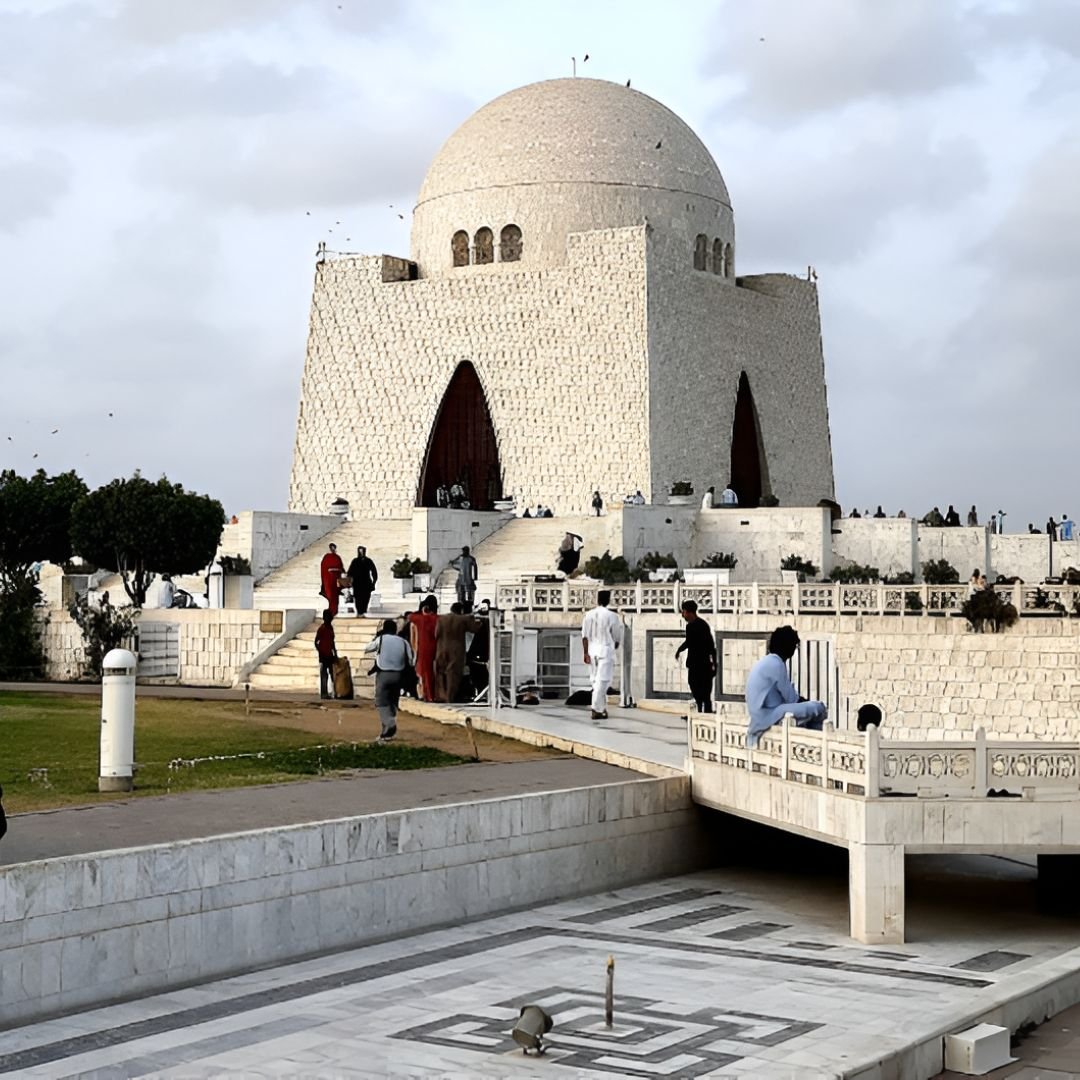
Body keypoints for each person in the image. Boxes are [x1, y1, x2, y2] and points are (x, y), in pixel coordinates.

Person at [745, 626, 826, 748]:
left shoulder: (766, 661)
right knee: (818, 708)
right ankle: (818, 745)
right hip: (768, 714)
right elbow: (791, 698)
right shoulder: (776, 664)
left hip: (760, 713)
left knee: (805, 709)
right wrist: (808, 702)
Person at [364, 618, 415, 740]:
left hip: (384, 673)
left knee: (381, 701)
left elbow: (367, 648)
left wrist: (377, 637)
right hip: (399, 675)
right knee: (393, 700)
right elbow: (411, 660)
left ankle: (389, 723)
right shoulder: (403, 641)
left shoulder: (381, 639)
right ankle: (387, 730)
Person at [581, 590, 623, 720]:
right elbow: (616, 636)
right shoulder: (612, 616)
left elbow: (584, 636)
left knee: (595, 681)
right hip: (605, 650)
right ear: (608, 600)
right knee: (602, 681)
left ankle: (602, 708)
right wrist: (615, 645)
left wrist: (585, 652)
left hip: (592, 650)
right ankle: (596, 709)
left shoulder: (588, 615)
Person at [674, 600, 717, 713]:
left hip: (703, 665)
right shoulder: (691, 627)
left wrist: (714, 664)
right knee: (695, 688)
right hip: (694, 664)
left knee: (705, 693)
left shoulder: (702, 626)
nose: (683, 615)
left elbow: (711, 646)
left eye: (684, 612)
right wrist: (679, 650)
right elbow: (689, 642)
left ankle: (706, 715)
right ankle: (699, 711)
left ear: (689, 612)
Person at [434, 609, 485, 702]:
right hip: (456, 650)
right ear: (461, 610)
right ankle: (450, 697)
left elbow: (436, 634)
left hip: (441, 649)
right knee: (453, 674)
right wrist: (480, 621)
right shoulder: (463, 619)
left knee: (440, 672)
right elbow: (475, 629)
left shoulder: (441, 619)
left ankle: (442, 695)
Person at [408, 596, 439, 701]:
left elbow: (411, 617)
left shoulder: (419, 619)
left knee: (423, 673)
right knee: (431, 673)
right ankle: (430, 695)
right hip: (434, 648)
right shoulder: (436, 619)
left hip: (422, 649)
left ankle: (424, 694)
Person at [346, 545, 378, 616]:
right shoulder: (355, 561)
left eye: (362, 551)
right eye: (360, 551)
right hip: (357, 583)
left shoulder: (368, 561)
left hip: (366, 582)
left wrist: (374, 582)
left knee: (365, 598)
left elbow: (374, 571)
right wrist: (348, 581)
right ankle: (359, 611)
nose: (361, 553)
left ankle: (363, 611)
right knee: (358, 598)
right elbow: (350, 572)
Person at [314, 609, 337, 700]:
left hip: (330, 654)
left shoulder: (330, 628)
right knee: (324, 675)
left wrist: (335, 652)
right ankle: (324, 693)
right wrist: (320, 651)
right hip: (323, 655)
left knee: (332, 674)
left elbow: (332, 642)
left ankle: (335, 692)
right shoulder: (322, 628)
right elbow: (316, 641)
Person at [319, 543, 345, 616]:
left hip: (335, 578)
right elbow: (323, 567)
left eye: (334, 548)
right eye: (332, 548)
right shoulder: (327, 557)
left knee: (335, 596)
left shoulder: (337, 557)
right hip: (328, 578)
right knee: (331, 594)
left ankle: (333, 610)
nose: (333, 549)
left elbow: (341, 566)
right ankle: (332, 610)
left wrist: (342, 571)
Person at [451, 545, 478, 610]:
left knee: (469, 594)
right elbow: (454, 564)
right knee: (461, 594)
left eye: (465, 551)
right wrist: (457, 568)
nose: (464, 552)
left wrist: (475, 576)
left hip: (468, 579)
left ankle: (469, 606)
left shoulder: (471, 558)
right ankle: (462, 605)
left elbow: (475, 567)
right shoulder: (461, 557)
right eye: (464, 551)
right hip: (462, 579)